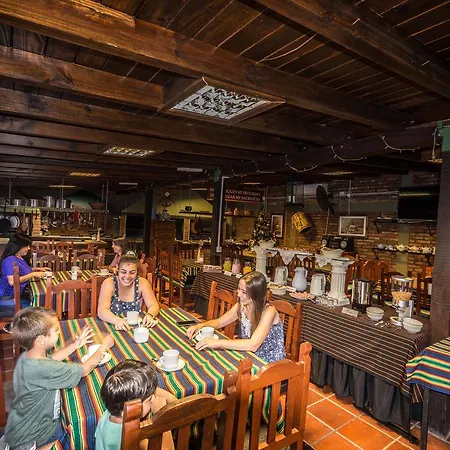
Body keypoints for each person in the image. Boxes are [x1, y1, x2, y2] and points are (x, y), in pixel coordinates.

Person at [4, 306, 114, 450]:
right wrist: (104, 346)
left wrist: (75, 345)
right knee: (84, 433)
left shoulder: (29, 357)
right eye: (56, 330)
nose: (59, 332)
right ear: (41, 340)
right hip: (40, 436)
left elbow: (52, 359)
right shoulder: (46, 369)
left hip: (25, 426)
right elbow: (85, 369)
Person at [186, 271, 286, 363]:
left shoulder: (269, 311)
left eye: (244, 292)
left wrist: (217, 343)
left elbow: (253, 345)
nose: (238, 294)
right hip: (250, 355)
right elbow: (219, 322)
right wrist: (200, 326)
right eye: (239, 289)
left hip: (270, 363)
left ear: (256, 294)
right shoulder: (242, 305)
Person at [96, 359, 175, 450]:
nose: (153, 399)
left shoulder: (114, 406)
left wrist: (173, 401)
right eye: (149, 399)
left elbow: (156, 391)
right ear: (126, 411)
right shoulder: (131, 436)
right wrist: (161, 417)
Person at [98, 253, 160, 330]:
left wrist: (150, 315)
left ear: (137, 272)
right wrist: (116, 320)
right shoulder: (109, 283)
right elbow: (102, 310)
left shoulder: (142, 283)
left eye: (132, 272)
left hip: (135, 328)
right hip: (113, 325)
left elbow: (153, 305)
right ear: (117, 269)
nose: (127, 276)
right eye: (123, 272)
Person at [0, 233, 47, 318]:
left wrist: (37, 269)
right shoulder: (10, 260)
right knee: (39, 306)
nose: (28, 248)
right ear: (17, 247)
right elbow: (12, 282)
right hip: (7, 297)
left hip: (18, 295)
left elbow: (23, 270)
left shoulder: (18, 257)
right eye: (26, 246)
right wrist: (33, 274)